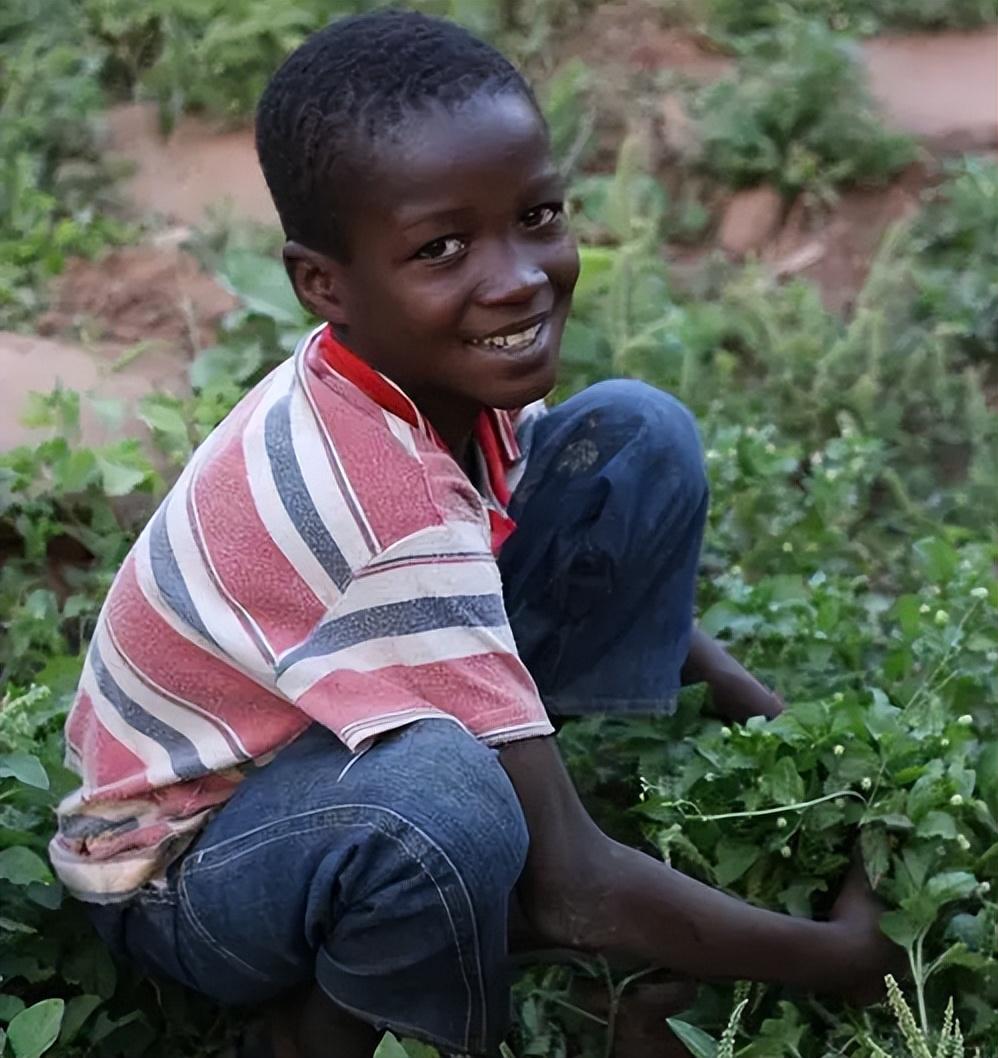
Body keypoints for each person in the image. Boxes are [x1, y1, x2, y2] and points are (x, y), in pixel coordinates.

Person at [51, 11, 897, 1058]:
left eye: (536, 214)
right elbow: (578, 890)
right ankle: (320, 1028)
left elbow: (502, 562)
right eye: (441, 246)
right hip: (186, 873)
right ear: (322, 282)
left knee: (628, 440)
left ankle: (523, 837)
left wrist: (809, 739)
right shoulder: (373, 496)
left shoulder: (429, 379)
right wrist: (847, 955)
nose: (516, 276)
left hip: (321, 738)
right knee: (444, 800)